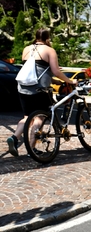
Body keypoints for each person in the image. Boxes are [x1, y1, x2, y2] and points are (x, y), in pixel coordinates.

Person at [6, 28, 77, 157]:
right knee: (40, 117)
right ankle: (32, 150)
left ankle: (14, 138)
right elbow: (55, 71)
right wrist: (69, 81)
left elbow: (34, 71)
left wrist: (55, 81)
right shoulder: (49, 50)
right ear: (47, 38)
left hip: (23, 88)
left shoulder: (26, 49)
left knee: (27, 117)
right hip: (39, 90)